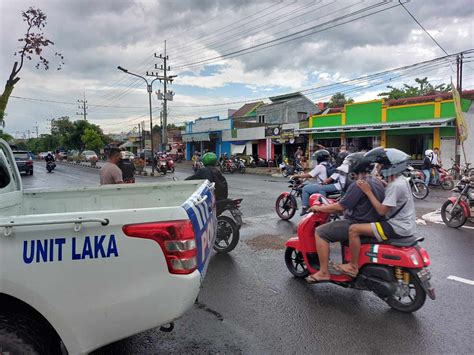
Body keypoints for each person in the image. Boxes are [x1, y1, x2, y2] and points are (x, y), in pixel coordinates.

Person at [304, 153, 385, 283]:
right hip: (371, 223)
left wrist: (318, 208)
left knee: (320, 232)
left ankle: (324, 272)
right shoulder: (377, 181)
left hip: (357, 223)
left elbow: (340, 207)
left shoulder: (359, 184)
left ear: (355, 167)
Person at [337, 148, 416, 277]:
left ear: (390, 166)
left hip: (396, 227)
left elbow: (381, 211)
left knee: (354, 229)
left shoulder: (394, 186)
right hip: (407, 224)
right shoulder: (401, 180)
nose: (378, 168)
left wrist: (368, 192)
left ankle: (353, 266)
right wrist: (382, 183)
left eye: (380, 165)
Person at [296, 149, 331, 216]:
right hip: (329, 186)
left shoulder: (320, 166)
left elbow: (309, 175)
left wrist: (297, 176)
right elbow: (314, 175)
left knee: (305, 188)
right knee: (310, 185)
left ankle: (305, 207)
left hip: (322, 186)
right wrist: (304, 179)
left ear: (319, 158)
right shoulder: (329, 165)